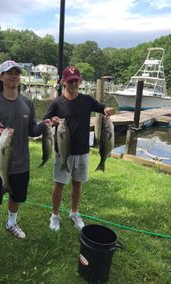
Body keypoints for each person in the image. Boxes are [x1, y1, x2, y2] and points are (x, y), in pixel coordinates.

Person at [0, 60, 50, 259]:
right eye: (8, 73)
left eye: (17, 73)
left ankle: (11, 223)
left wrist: (43, 125)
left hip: (21, 163)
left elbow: (32, 130)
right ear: (1, 77)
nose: (13, 76)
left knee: (16, 197)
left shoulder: (27, 102)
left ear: (20, 77)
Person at [44, 66, 115, 231]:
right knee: (59, 184)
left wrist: (106, 109)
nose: (74, 83)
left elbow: (100, 107)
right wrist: (52, 121)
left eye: (76, 80)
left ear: (80, 81)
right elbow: (46, 120)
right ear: (63, 82)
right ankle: (55, 215)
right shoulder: (56, 103)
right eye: (70, 81)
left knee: (77, 184)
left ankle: (74, 212)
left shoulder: (87, 100)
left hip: (82, 151)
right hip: (63, 151)